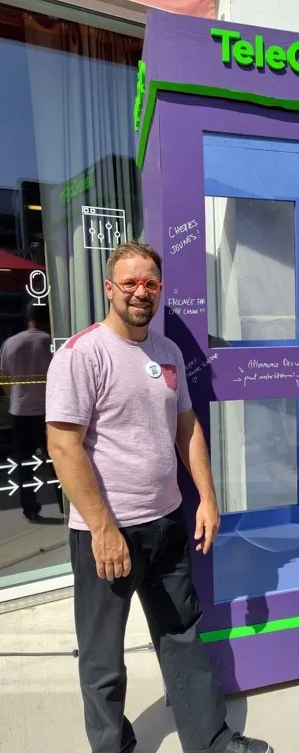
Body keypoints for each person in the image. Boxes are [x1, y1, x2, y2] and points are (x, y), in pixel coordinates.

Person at [45, 241, 272, 753]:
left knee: (183, 636)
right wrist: (103, 530)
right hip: (108, 533)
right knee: (103, 660)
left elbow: (187, 428)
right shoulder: (83, 354)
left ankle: (210, 741)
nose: (140, 292)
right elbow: (63, 445)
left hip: (167, 521)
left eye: (150, 283)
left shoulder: (167, 352)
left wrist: (207, 498)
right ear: (109, 288)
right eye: (129, 282)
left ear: (160, 289)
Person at [0, 301, 61, 521]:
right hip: (49, 411)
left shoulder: (10, 343)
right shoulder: (52, 343)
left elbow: (4, 378)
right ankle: (66, 505)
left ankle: (30, 509)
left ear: (29, 318)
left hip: (20, 411)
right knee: (58, 461)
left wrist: (14, 397)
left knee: (24, 464)